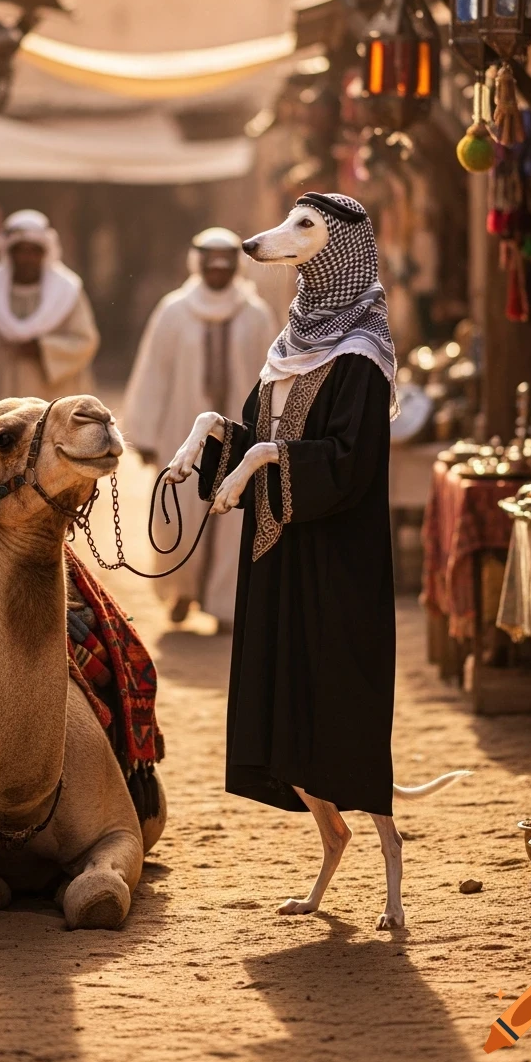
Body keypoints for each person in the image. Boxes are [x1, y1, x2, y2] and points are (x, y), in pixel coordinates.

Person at [167, 193, 400, 916]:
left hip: (336, 562)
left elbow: (348, 462)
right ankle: (329, 845)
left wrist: (262, 459)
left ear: (340, 248)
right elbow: (254, 435)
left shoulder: (362, 354)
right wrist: (205, 440)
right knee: (283, 702)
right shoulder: (290, 342)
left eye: (306, 229)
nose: (276, 238)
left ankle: (391, 871)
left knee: (339, 706)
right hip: (279, 558)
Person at [122, 226, 274, 633]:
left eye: (226, 264)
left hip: (241, 434)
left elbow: (271, 377)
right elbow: (153, 373)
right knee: (180, 512)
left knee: (233, 519)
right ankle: (182, 591)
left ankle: (225, 604)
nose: (218, 270)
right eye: (212, 263)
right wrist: (146, 434)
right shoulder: (174, 311)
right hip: (182, 431)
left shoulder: (256, 314)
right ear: (199, 264)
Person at [0, 209, 100, 420]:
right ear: (9, 253)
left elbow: (85, 342)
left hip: (50, 403)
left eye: (34, 251)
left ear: (45, 253)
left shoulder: (67, 292)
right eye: (20, 251)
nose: (27, 258)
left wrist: (43, 350)